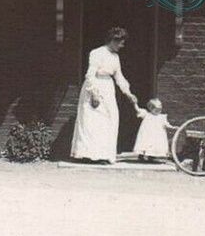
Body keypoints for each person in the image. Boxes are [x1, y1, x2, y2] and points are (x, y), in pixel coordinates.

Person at [70, 27, 136, 163]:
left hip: (108, 89)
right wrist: (94, 93)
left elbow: (119, 76)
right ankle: (88, 155)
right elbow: (90, 74)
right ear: (113, 40)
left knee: (109, 120)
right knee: (92, 121)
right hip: (95, 87)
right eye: (120, 42)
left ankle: (103, 154)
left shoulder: (115, 56)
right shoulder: (97, 53)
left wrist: (128, 93)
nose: (122, 45)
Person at [132, 97, 173, 162]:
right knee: (145, 143)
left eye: (159, 110)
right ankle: (141, 155)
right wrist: (135, 103)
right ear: (151, 108)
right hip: (148, 134)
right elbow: (138, 110)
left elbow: (166, 124)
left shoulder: (161, 117)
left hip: (157, 135)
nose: (158, 112)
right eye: (156, 110)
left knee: (155, 144)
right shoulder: (147, 115)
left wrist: (171, 127)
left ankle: (152, 156)